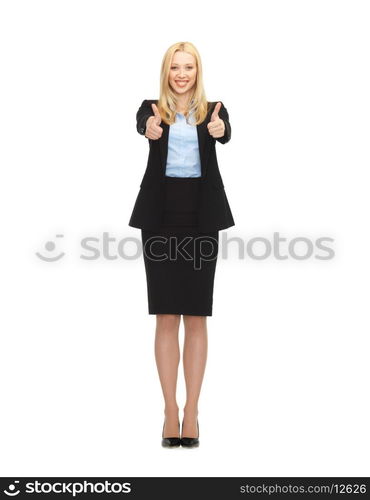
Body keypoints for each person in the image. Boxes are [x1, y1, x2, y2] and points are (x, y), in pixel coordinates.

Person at [128, 41, 235, 447]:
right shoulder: (150, 107)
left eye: (188, 67)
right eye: (176, 67)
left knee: (196, 315)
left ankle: (192, 412)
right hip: (159, 219)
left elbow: (226, 134)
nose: (182, 74)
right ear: (166, 71)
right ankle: (169, 411)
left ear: (198, 70)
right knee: (166, 314)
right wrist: (150, 128)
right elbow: (144, 125)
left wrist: (220, 130)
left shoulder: (215, 110)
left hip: (201, 218)